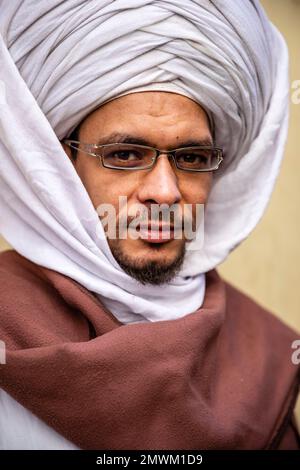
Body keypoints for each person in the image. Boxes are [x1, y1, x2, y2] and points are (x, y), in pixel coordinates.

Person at [0, 0, 299, 450]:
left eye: (192, 159)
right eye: (125, 155)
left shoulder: (264, 352)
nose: (164, 192)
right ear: (62, 168)